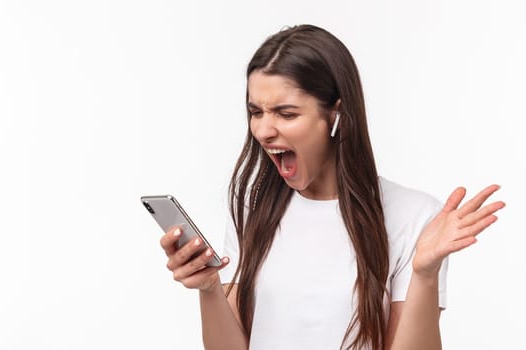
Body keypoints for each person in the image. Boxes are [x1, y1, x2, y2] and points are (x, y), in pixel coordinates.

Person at [158, 24, 505, 350]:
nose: (263, 130)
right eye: (256, 111)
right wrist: (209, 289)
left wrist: (425, 275)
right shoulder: (254, 208)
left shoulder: (412, 214)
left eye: (286, 113)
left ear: (336, 115)